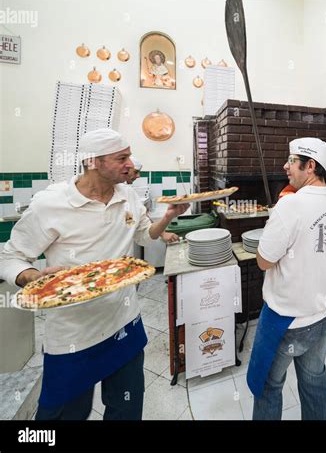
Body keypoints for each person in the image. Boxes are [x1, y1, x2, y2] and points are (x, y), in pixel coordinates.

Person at [0, 128, 189, 420]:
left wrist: (167, 218)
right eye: (122, 158)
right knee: (63, 416)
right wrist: (32, 276)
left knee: (126, 411)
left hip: (124, 323)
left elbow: (144, 236)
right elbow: (10, 256)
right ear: (93, 162)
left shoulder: (128, 196)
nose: (131, 164)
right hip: (73, 333)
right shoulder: (51, 203)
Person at [246, 137, 326, 420]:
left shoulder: (289, 206)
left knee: (268, 386)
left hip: (286, 321)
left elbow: (263, 260)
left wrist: (274, 226)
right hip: (323, 314)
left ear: (311, 166)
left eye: (292, 161)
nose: (285, 166)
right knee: (314, 382)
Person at [127, 155, 179, 245]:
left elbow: (141, 219)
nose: (138, 176)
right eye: (135, 172)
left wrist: (162, 232)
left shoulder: (128, 193)